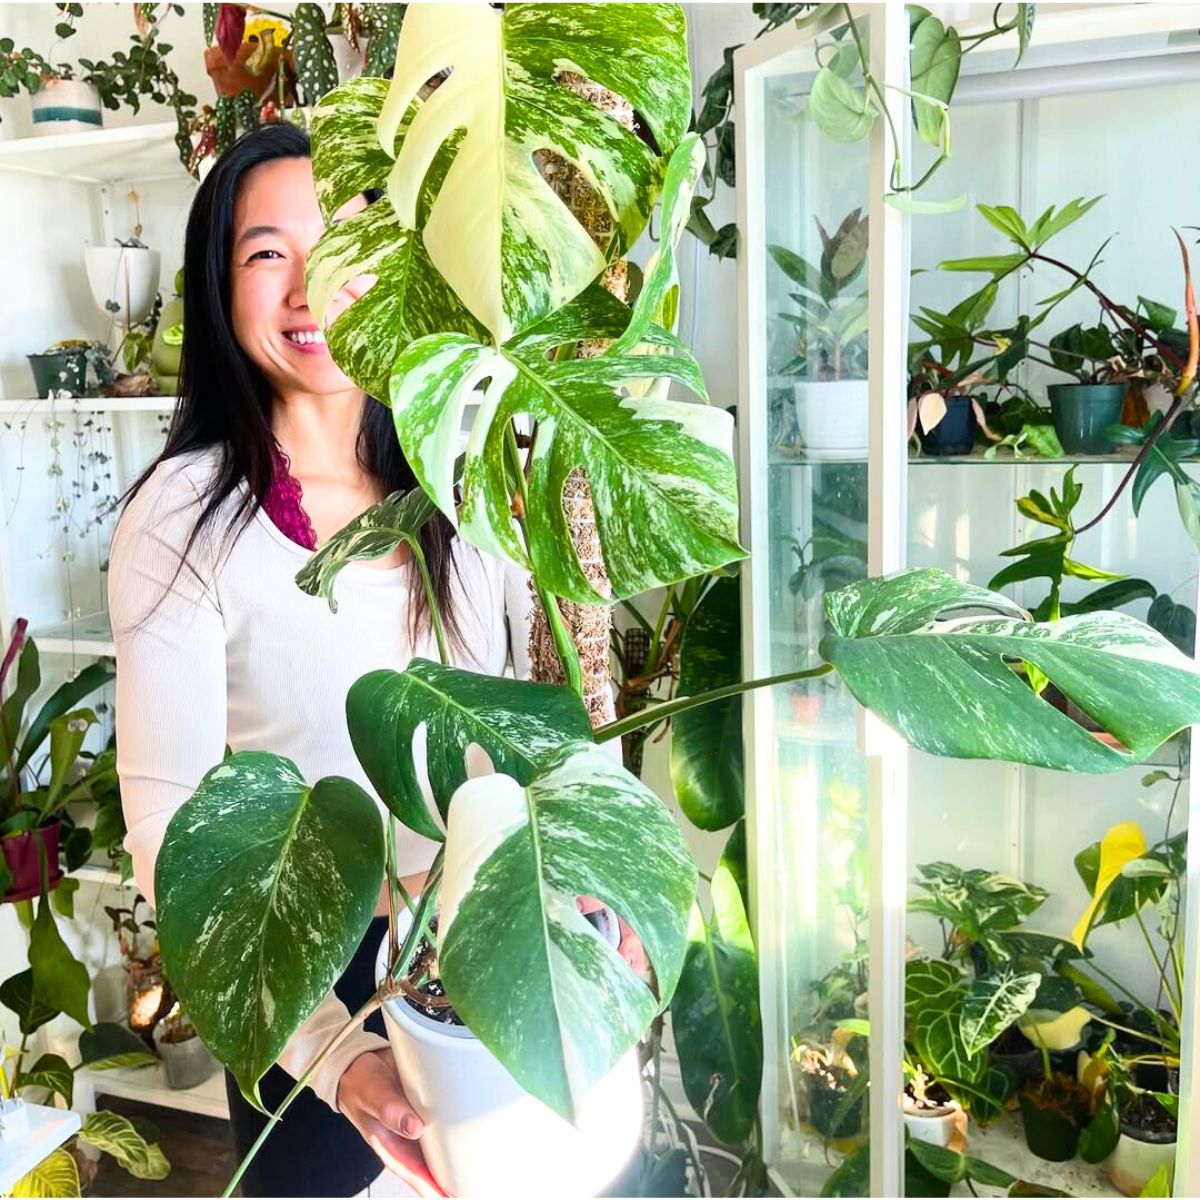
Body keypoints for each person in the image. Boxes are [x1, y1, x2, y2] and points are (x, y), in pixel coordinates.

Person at [108, 123, 530, 1198]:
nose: (310, 288)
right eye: (265, 254)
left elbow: (529, 724)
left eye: (340, 242)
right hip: (307, 964)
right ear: (218, 285)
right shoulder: (184, 516)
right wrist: (339, 1056)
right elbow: (170, 827)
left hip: (485, 940)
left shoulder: (464, 481)